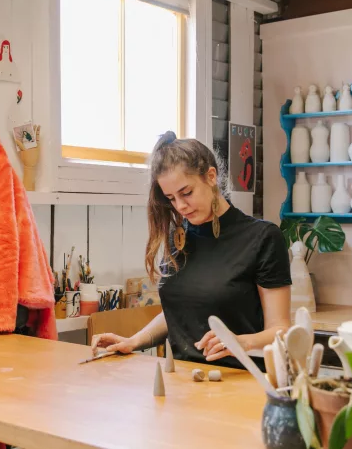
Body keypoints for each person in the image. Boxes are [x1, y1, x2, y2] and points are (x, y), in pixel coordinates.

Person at [90, 132, 291, 369]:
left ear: (211, 176)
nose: (180, 206)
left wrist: (239, 342)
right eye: (171, 198)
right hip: (183, 383)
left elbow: (281, 331)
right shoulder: (178, 239)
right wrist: (134, 341)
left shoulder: (263, 238)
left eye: (186, 193)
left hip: (242, 381)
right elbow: (180, 311)